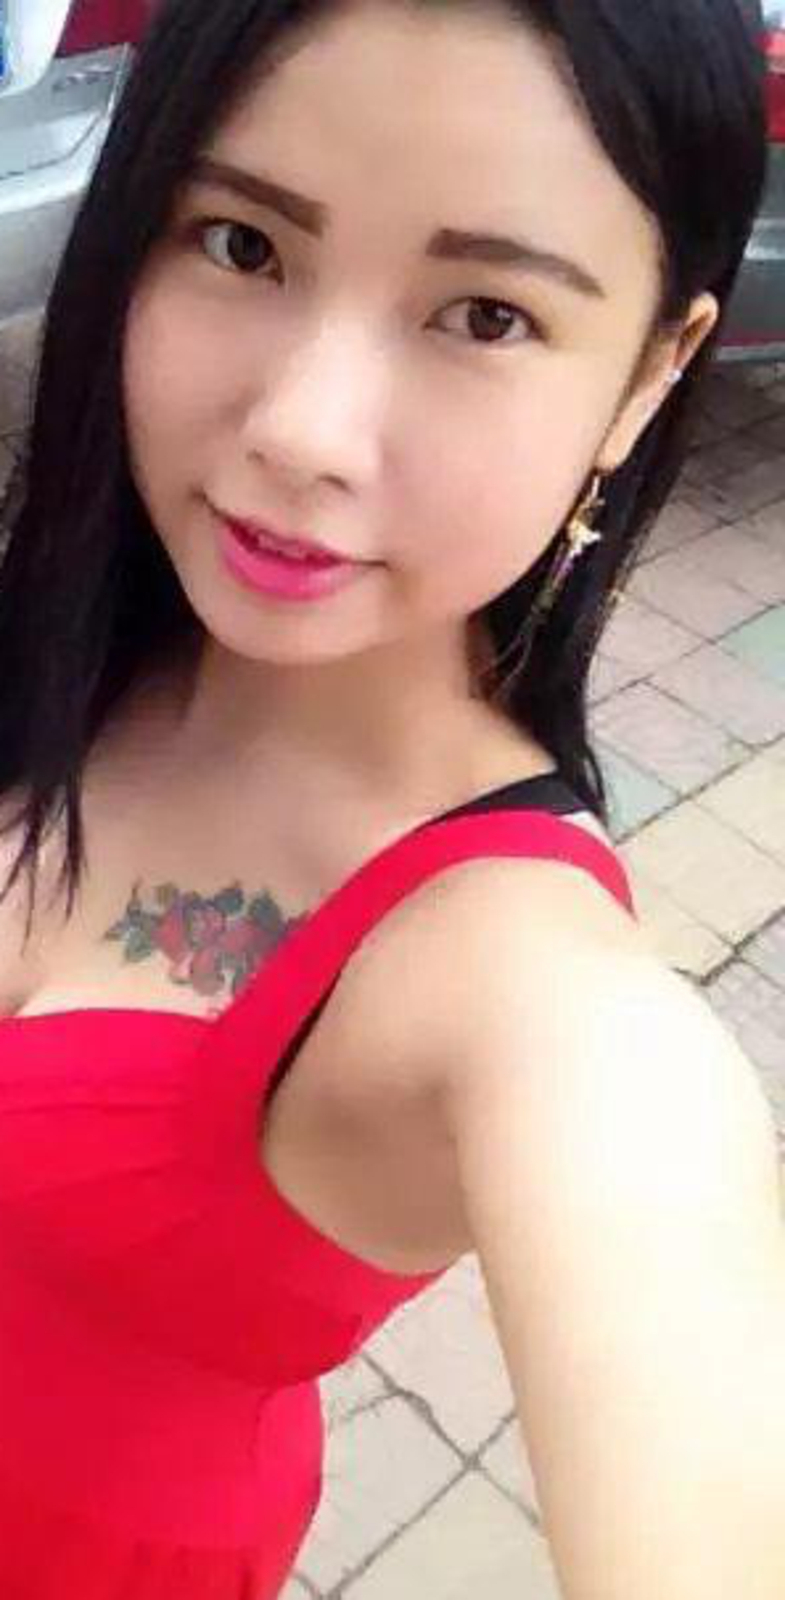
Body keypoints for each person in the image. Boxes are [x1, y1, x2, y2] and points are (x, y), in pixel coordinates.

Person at [0, 0, 782, 1594]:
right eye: (240, 245)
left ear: (647, 376)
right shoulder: (71, 630)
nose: (301, 431)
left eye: (484, 315)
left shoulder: (537, 1001)